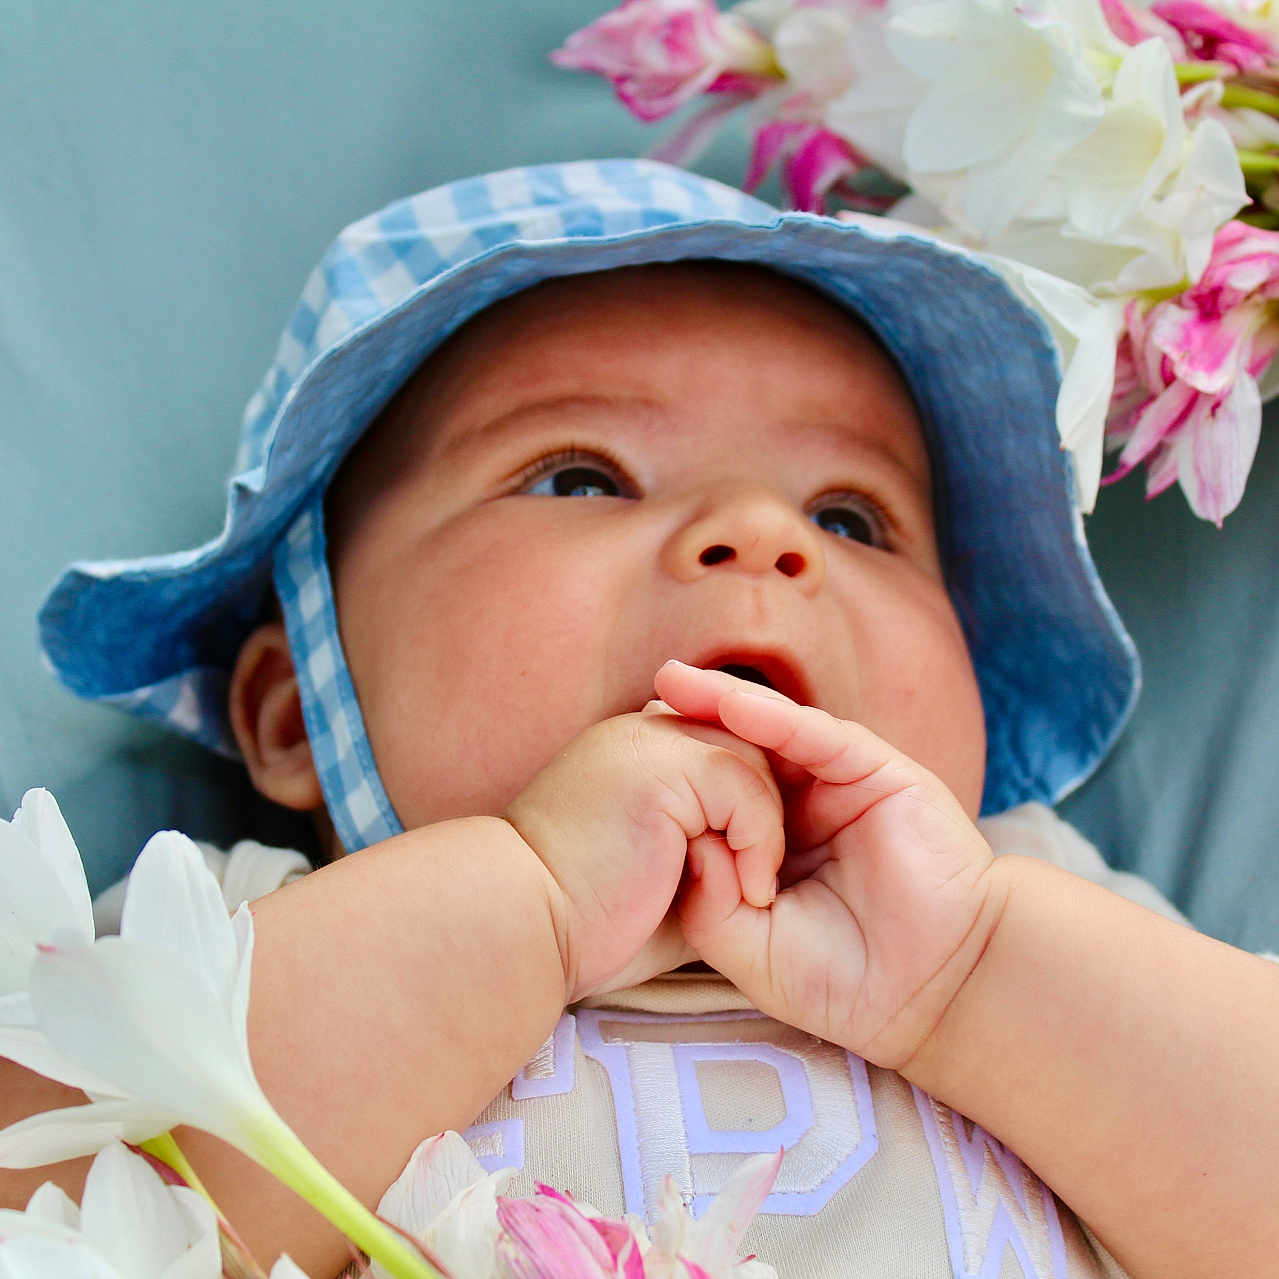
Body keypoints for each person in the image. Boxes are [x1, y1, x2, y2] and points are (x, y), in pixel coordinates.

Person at [7, 159, 1279, 1279]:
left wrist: (972, 975)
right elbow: (42, 1207)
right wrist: (529, 903)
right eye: (581, 476)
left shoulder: (1047, 908)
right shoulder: (232, 933)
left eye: (853, 517)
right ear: (296, 712)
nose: (764, 535)